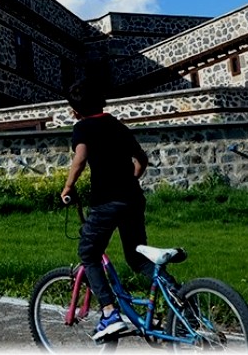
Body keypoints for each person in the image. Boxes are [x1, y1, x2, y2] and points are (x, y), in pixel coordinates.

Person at [59, 77, 174, 340]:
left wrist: (67, 188)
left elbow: (80, 159)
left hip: (106, 202)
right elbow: (141, 160)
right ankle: (180, 300)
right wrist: (132, 178)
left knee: (88, 253)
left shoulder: (83, 128)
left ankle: (110, 313)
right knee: (137, 257)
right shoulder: (118, 126)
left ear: (75, 111)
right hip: (133, 199)